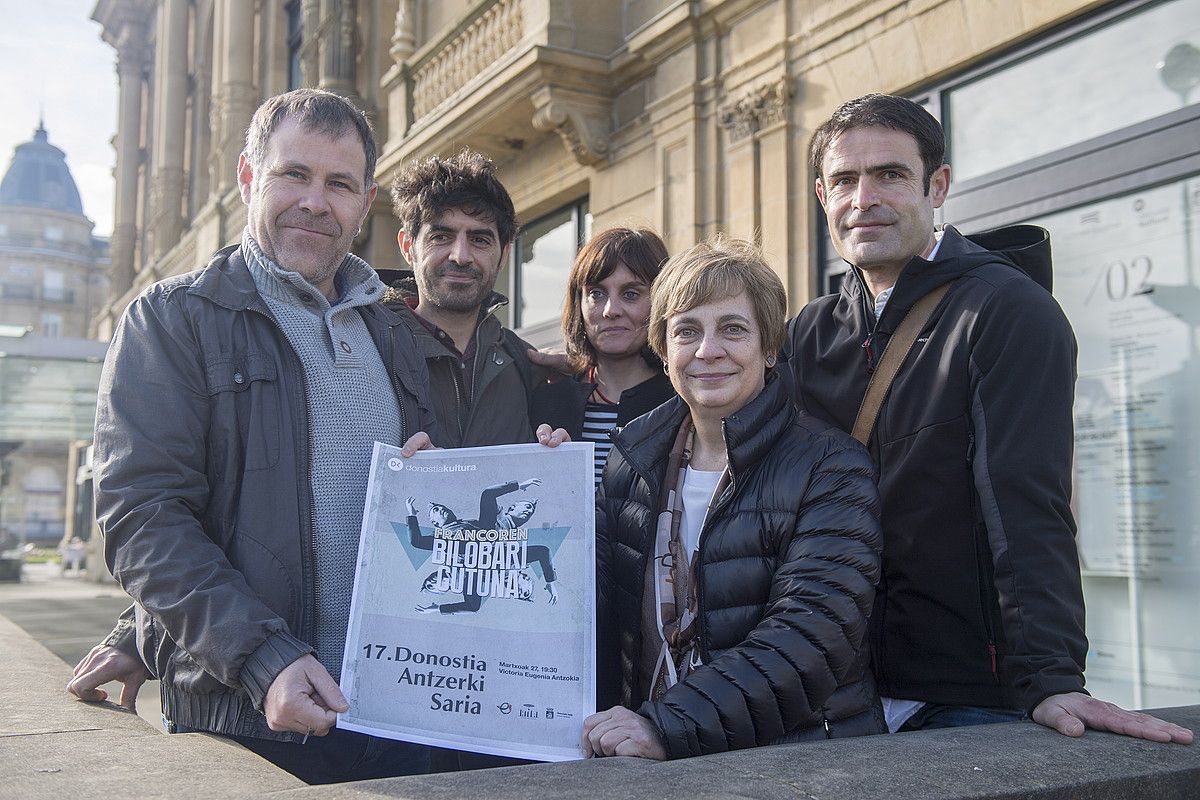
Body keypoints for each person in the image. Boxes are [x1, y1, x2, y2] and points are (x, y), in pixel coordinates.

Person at [785, 93, 1192, 744]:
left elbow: (1025, 503)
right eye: (844, 179)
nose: (864, 198)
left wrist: (1052, 676)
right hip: (836, 692)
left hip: (966, 695)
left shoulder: (1005, 310)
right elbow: (721, 443)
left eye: (890, 174)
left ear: (937, 185)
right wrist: (570, 390)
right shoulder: (808, 331)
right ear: (821, 194)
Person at [66, 88, 446, 784]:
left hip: (398, 720)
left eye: (339, 184)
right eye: (293, 174)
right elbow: (144, 519)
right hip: (246, 722)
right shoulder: (173, 319)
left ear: (364, 204)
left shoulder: (396, 332)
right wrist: (261, 658)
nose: (315, 201)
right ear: (248, 177)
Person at [584, 237, 884, 759]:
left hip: (805, 760)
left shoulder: (831, 467)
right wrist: (546, 496)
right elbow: (589, 610)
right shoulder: (628, 459)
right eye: (687, 331)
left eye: (733, 329)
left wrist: (668, 725)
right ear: (663, 348)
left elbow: (811, 638)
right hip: (659, 764)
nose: (708, 350)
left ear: (769, 348)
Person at [385, 150, 544, 449]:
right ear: (408, 247)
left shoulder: (523, 363)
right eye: (441, 237)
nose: (460, 256)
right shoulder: (371, 349)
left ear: (504, 255)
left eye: (480, 240)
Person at [528, 228, 677, 485]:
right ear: (579, 304)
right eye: (596, 293)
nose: (611, 310)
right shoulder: (545, 401)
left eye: (631, 294)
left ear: (661, 302)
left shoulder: (681, 402)